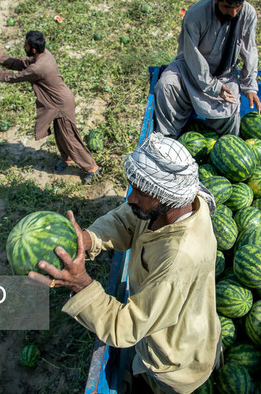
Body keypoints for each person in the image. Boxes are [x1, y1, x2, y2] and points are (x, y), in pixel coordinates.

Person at [29, 133, 222, 394]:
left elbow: (126, 327)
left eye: (140, 192)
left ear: (165, 197)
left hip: (173, 363)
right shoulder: (178, 202)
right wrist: (88, 239)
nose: (130, 197)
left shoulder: (179, 258)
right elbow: (126, 221)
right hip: (168, 323)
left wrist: (81, 285)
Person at [0, 31, 100, 184]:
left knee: (69, 136)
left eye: (26, 45)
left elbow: (14, 77)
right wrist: (0, 57)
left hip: (61, 104)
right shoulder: (44, 54)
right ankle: (68, 159)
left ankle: (91, 167)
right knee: (60, 134)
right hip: (56, 101)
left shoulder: (38, 68)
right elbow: (23, 63)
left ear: (33, 49)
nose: (24, 46)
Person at [153, 0, 261, 139]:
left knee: (231, 109)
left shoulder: (248, 13)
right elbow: (192, 57)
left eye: (237, 7)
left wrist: (249, 86)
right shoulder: (196, 15)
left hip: (224, 75)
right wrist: (213, 87)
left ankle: (225, 148)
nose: (233, 13)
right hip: (188, 70)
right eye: (227, 7)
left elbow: (250, 50)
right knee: (166, 85)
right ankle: (168, 142)